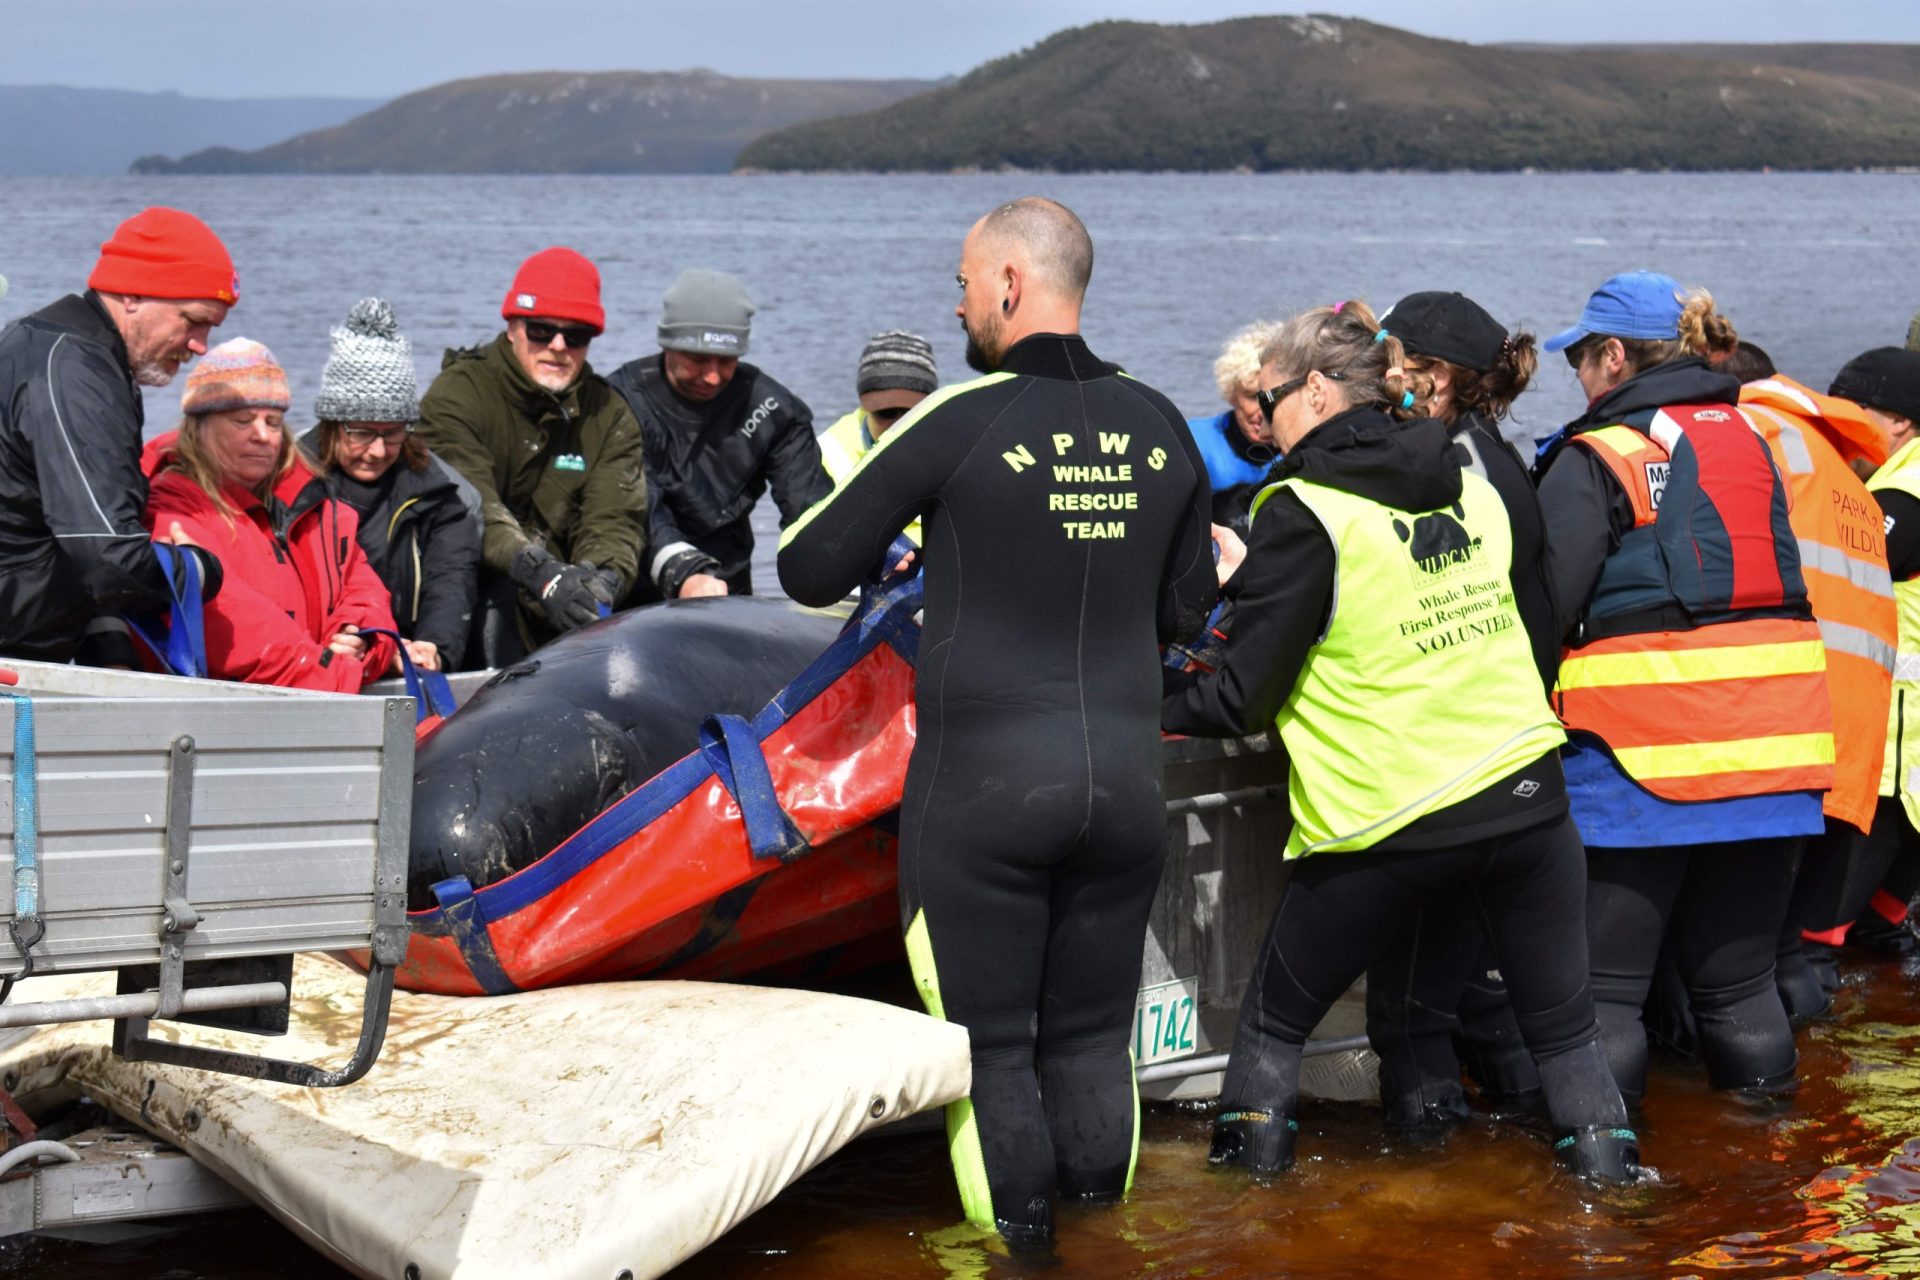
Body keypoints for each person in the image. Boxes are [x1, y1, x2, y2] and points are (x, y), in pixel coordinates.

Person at [778, 198, 1215, 1248]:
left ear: (1012, 283)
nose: (959, 297)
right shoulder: (1162, 421)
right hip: (1121, 789)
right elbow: (1190, 610)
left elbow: (806, 566)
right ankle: (1108, 1249)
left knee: (994, 1053)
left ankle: (1019, 1255)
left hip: (984, 797)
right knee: (1093, 1043)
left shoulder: (957, 417)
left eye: (966, 279)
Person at [1163, 299, 1635, 1184]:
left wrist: (1140, 691)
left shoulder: (1302, 506)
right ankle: (1617, 1207)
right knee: (1567, 1038)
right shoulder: (1476, 475)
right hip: (1525, 801)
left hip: (1387, 819)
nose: (1257, 420)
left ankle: (1247, 1214)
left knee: (1272, 1031)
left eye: (1265, 400)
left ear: (1312, 392)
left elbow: (1240, 696)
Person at [1536, 271, 1832, 1103]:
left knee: (1604, 996)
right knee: (1739, 987)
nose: (1580, 382)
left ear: (1614, 357)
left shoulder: (1599, 455)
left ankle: (1611, 1188)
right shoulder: (1752, 437)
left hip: (1643, 761)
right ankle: (1767, 1163)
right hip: (1778, 745)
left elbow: (1545, 606)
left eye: (1582, 362)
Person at [1361, 290, 1556, 1128]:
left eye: (1388, 361)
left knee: (1409, 1011)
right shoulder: (1494, 455)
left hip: (1454, 763)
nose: (1377, 379)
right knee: (1480, 991)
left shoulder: (1451, 470)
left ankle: (1425, 1194)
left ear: (1433, 377)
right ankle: (1528, 1171)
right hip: (1515, 758)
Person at [1732, 361, 1896, 1019]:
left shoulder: (1761, 435)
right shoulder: (1842, 471)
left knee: (1742, 955)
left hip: (1791, 708)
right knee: (1790, 945)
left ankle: (1760, 1100)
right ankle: (1805, 1086)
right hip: (1853, 720)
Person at [0, 207, 234, 666]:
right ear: (131, 295)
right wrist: (200, 569)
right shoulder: (75, 371)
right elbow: (109, 558)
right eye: (192, 320)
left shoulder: (58, 346)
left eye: (211, 327)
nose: (201, 344)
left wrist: (103, 633)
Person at [415, 247, 646, 665]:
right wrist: (539, 573)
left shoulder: (609, 414)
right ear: (512, 328)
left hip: (559, 601)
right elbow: (473, 506)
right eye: (541, 330)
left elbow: (614, 518)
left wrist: (601, 580)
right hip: (470, 594)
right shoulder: (456, 394)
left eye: (575, 336)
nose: (558, 346)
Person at [142, 339, 398, 691]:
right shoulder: (172, 506)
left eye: (274, 422)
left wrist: (359, 639)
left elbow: (365, 592)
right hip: (228, 713)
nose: (262, 436)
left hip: (320, 695)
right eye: (242, 420)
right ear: (199, 428)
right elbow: (225, 619)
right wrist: (330, 673)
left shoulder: (318, 506)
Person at [608, 269, 831, 600]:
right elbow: (640, 505)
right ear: (667, 345)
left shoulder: (773, 409)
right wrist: (683, 571)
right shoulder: (619, 402)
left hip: (725, 586)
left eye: (726, 361)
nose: (711, 377)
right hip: (638, 581)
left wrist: (859, 548)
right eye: (697, 360)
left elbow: (810, 505)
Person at [301, 298, 481, 673]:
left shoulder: (446, 494)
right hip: (315, 654)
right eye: (363, 433)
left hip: (406, 652)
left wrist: (434, 647)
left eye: (394, 433)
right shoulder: (287, 483)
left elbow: (450, 580)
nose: (379, 450)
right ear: (333, 424)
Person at [1837, 350, 1920, 974]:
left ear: (1897, 422)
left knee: (1825, 921)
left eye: (1854, 412)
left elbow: (1848, 575)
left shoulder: (1901, 493)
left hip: (1898, 722)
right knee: (1888, 913)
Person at [817, 331, 939, 545]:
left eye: (911, 412)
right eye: (886, 412)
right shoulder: (825, 456)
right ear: (864, 404)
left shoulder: (958, 441)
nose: (899, 425)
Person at [1186, 321, 1283, 538]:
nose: (1262, 411)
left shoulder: (1304, 449)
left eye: (1271, 398)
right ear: (1231, 394)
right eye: (1251, 397)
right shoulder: (1197, 442)